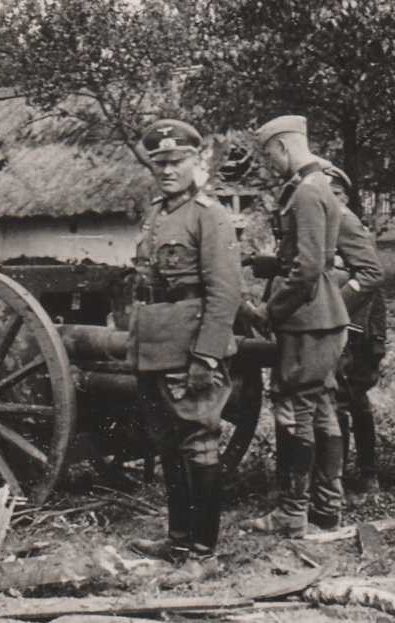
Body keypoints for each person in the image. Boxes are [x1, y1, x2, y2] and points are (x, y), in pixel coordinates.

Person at [126, 119, 241, 587]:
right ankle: (178, 539)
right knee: (168, 443)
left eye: (176, 162)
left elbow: (225, 291)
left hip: (190, 347)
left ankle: (204, 553)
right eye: (160, 163)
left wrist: (207, 355)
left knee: (198, 442)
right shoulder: (157, 213)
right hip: (154, 344)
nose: (168, 170)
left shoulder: (207, 215)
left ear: (197, 162)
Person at [241, 116, 349, 536]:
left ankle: (292, 512)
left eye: (270, 153)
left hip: (306, 320)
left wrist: (269, 311)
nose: (269, 163)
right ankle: (327, 507)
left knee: (294, 410)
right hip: (324, 315)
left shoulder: (305, 193)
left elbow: (307, 269)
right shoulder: (318, 186)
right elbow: (312, 257)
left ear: (284, 146)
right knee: (321, 406)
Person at [322, 164, 386, 501]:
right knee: (340, 400)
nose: (329, 201)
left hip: (360, 327)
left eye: (335, 194)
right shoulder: (325, 224)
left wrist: (337, 311)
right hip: (343, 324)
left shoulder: (349, 225)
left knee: (352, 399)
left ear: (344, 196)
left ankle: (367, 473)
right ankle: (341, 475)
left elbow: (372, 279)